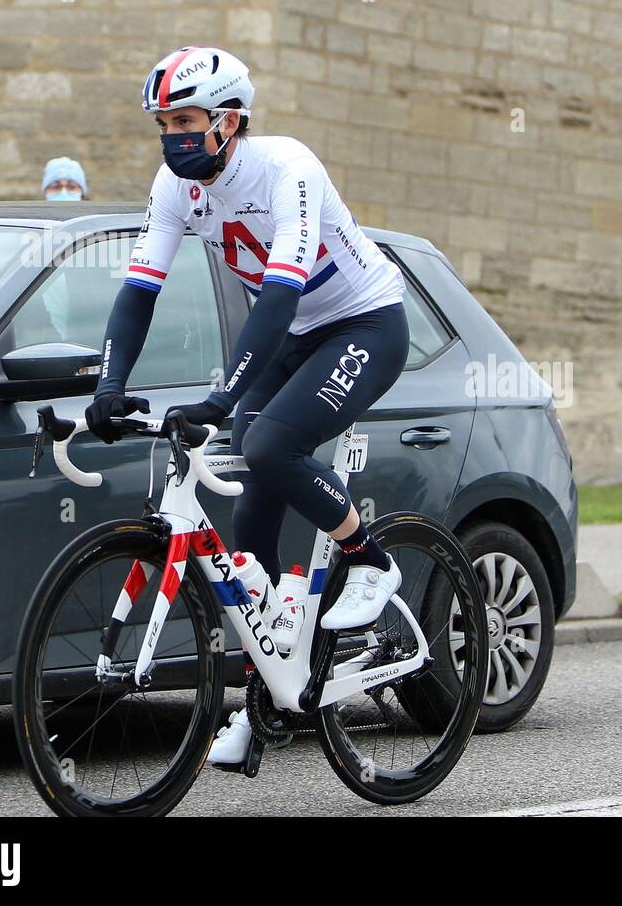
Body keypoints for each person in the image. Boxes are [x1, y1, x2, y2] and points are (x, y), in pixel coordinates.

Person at [84, 46, 408, 770]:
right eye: (163, 123)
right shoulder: (176, 186)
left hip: (362, 325)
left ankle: (371, 561)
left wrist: (224, 393)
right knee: (250, 501)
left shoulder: (287, 167)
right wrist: (108, 387)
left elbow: (284, 290)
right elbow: (139, 291)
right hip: (292, 335)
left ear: (230, 121)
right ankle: (263, 700)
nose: (173, 136)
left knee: (269, 448)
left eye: (187, 120)